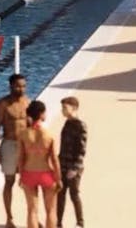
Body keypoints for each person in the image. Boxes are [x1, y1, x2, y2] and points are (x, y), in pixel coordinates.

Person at [0, 73, 30, 228]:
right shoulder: (3, 104)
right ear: (11, 86)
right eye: (18, 86)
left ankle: (32, 217)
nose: (21, 89)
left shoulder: (28, 102)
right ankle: (9, 218)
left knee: (29, 183)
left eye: (23, 86)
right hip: (9, 144)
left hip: (25, 146)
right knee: (9, 181)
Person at [17, 100, 61, 228]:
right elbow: (54, 159)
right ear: (41, 114)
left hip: (29, 173)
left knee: (32, 211)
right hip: (46, 173)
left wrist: (21, 176)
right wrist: (58, 178)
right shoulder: (49, 135)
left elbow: (21, 158)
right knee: (51, 211)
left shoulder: (23, 134)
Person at [57, 96, 87, 228]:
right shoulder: (67, 123)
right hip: (63, 164)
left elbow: (82, 149)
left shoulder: (80, 125)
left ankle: (80, 223)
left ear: (74, 108)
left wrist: (74, 168)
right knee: (60, 194)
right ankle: (58, 223)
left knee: (74, 194)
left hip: (73, 166)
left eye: (65, 108)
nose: (62, 110)